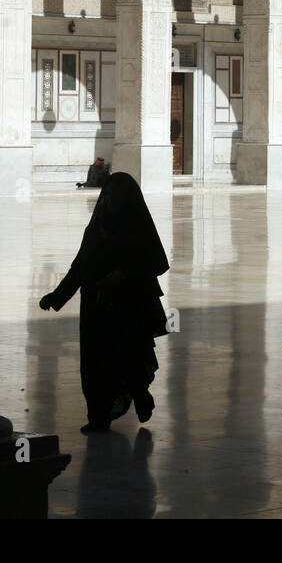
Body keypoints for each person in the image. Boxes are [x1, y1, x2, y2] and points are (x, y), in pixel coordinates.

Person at [39, 172, 170, 433]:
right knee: (95, 362)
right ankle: (99, 416)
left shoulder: (138, 226)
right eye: (107, 195)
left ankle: (140, 396)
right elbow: (80, 266)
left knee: (127, 356)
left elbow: (156, 262)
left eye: (116, 195)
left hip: (128, 305)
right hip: (96, 306)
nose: (110, 200)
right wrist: (57, 296)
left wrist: (124, 274)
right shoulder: (98, 227)